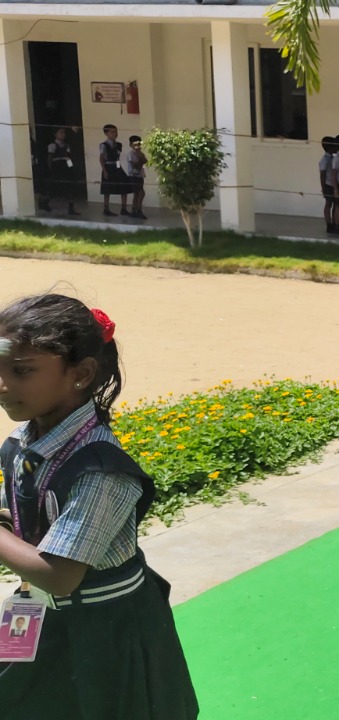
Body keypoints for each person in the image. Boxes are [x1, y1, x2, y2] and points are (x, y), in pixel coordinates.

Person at [0, 295, 200, 718]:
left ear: (82, 375)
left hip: (108, 633)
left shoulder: (101, 470)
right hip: (38, 614)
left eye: (21, 371)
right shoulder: (21, 442)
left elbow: (60, 575)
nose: (3, 383)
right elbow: (20, 520)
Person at [42, 127, 79, 216]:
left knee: (70, 187)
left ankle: (71, 208)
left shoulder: (66, 145)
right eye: (61, 133)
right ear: (55, 134)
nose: (63, 135)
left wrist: (71, 167)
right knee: (53, 188)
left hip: (66, 167)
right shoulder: (53, 145)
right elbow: (50, 158)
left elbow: (68, 157)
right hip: (57, 168)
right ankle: (44, 203)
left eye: (64, 133)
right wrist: (51, 169)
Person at [98, 125, 129, 218]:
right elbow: (101, 158)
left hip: (117, 166)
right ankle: (106, 209)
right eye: (112, 132)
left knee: (124, 185)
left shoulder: (119, 145)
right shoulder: (103, 145)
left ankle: (124, 208)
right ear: (106, 133)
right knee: (107, 188)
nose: (115, 134)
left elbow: (117, 156)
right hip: (108, 166)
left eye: (115, 132)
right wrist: (104, 170)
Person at [122, 135, 148, 220]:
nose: (137, 146)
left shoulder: (140, 153)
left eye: (138, 144)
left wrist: (140, 156)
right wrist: (140, 160)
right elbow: (135, 166)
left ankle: (134, 210)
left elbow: (145, 161)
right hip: (133, 176)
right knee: (141, 193)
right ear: (131, 145)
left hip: (140, 175)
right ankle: (138, 210)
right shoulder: (130, 154)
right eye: (135, 144)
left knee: (137, 194)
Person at [319, 136, 338, 233]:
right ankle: (329, 223)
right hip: (328, 184)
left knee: (335, 204)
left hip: (333, 184)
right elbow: (322, 175)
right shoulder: (325, 160)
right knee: (328, 204)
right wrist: (323, 187)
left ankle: (335, 222)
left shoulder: (333, 158)